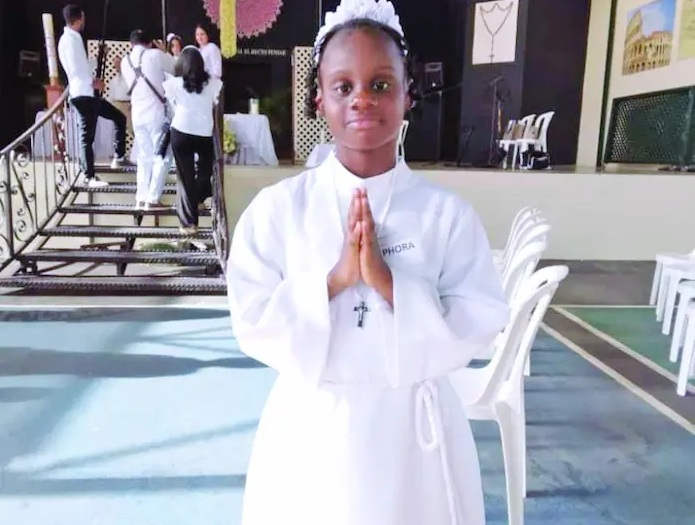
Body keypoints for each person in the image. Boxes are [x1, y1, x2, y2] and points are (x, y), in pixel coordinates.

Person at [226, 1, 510, 524]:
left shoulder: (445, 215)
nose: (362, 99)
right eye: (343, 86)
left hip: (414, 437)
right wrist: (334, 281)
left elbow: (480, 319)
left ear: (407, 95)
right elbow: (252, 318)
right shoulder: (280, 210)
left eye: (381, 85)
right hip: (312, 429)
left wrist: (388, 283)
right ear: (319, 99)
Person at [57, 4, 127, 187]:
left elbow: (80, 66)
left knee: (117, 118)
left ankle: (118, 157)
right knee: (87, 137)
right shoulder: (72, 40)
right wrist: (93, 82)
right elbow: (77, 68)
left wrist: (94, 68)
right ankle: (89, 176)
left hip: (82, 92)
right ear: (79, 18)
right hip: (84, 93)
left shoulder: (67, 39)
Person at [162, 47, 222, 235]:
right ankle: (200, 198)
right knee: (205, 171)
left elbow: (172, 105)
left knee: (185, 177)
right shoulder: (213, 84)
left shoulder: (174, 84)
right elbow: (215, 106)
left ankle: (188, 224)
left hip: (181, 131)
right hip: (204, 132)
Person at [121, 29, 175, 210]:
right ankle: (152, 198)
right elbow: (177, 68)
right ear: (150, 43)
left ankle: (141, 197)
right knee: (163, 155)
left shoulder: (125, 61)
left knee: (144, 156)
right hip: (156, 113)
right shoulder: (155, 55)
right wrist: (164, 51)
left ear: (131, 44)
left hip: (137, 114)